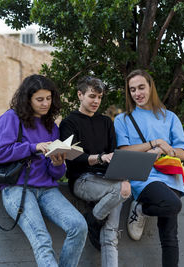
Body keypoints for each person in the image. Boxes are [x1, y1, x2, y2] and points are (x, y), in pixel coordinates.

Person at [0, 74, 87, 267]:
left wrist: (58, 164)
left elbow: (56, 175)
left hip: (47, 190)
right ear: (28, 99)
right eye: (39, 99)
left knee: (79, 226)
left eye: (48, 99)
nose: (45, 104)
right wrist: (34, 147)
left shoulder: (52, 126)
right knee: (42, 241)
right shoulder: (11, 118)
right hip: (17, 188)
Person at [114, 69, 184, 267]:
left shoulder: (170, 117)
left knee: (170, 235)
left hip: (170, 177)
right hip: (143, 176)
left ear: (150, 88)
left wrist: (166, 150)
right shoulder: (123, 120)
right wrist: (154, 144)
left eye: (141, 87)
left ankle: (141, 208)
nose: (137, 93)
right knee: (173, 205)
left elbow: (183, 153)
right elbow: (124, 151)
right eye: (132, 90)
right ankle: (141, 207)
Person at [59, 76, 131, 267]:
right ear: (80, 95)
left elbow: (113, 153)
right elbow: (71, 156)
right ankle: (92, 219)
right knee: (121, 190)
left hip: (108, 179)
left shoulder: (106, 122)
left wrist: (120, 168)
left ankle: (93, 218)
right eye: (92, 96)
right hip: (82, 179)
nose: (96, 101)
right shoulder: (69, 123)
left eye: (99, 97)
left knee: (110, 236)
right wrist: (99, 158)